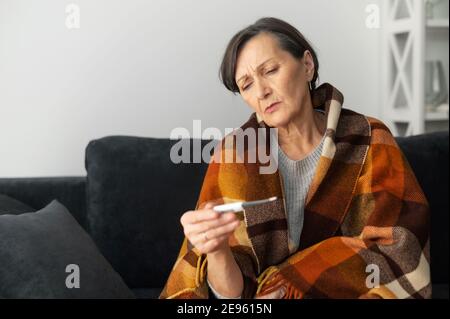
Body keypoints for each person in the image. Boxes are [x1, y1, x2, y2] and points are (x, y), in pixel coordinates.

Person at [159, 17, 431, 299]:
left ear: (307, 65)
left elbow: (399, 250)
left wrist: (289, 283)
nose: (262, 91)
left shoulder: (371, 137)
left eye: (271, 70)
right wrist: (216, 251)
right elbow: (232, 298)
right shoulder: (234, 154)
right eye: (247, 84)